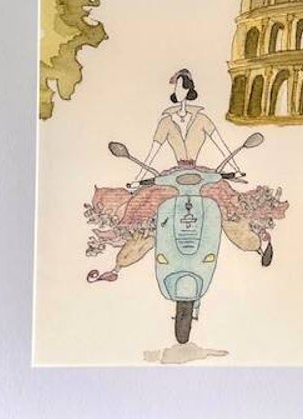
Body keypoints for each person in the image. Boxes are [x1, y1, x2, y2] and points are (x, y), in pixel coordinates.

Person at [85, 69, 288, 282]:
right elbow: (153, 152)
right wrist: (139, 178)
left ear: (189, 89)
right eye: (176, 87)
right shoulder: (166, 122)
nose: (177, 90)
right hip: (174, 176)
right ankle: (117, 268)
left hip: (200, 174)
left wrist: (234, 168)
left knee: (229, 209)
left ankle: (258, 247)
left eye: (181, 86)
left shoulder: (202, 119)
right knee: (146, 214)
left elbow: (221, 145)